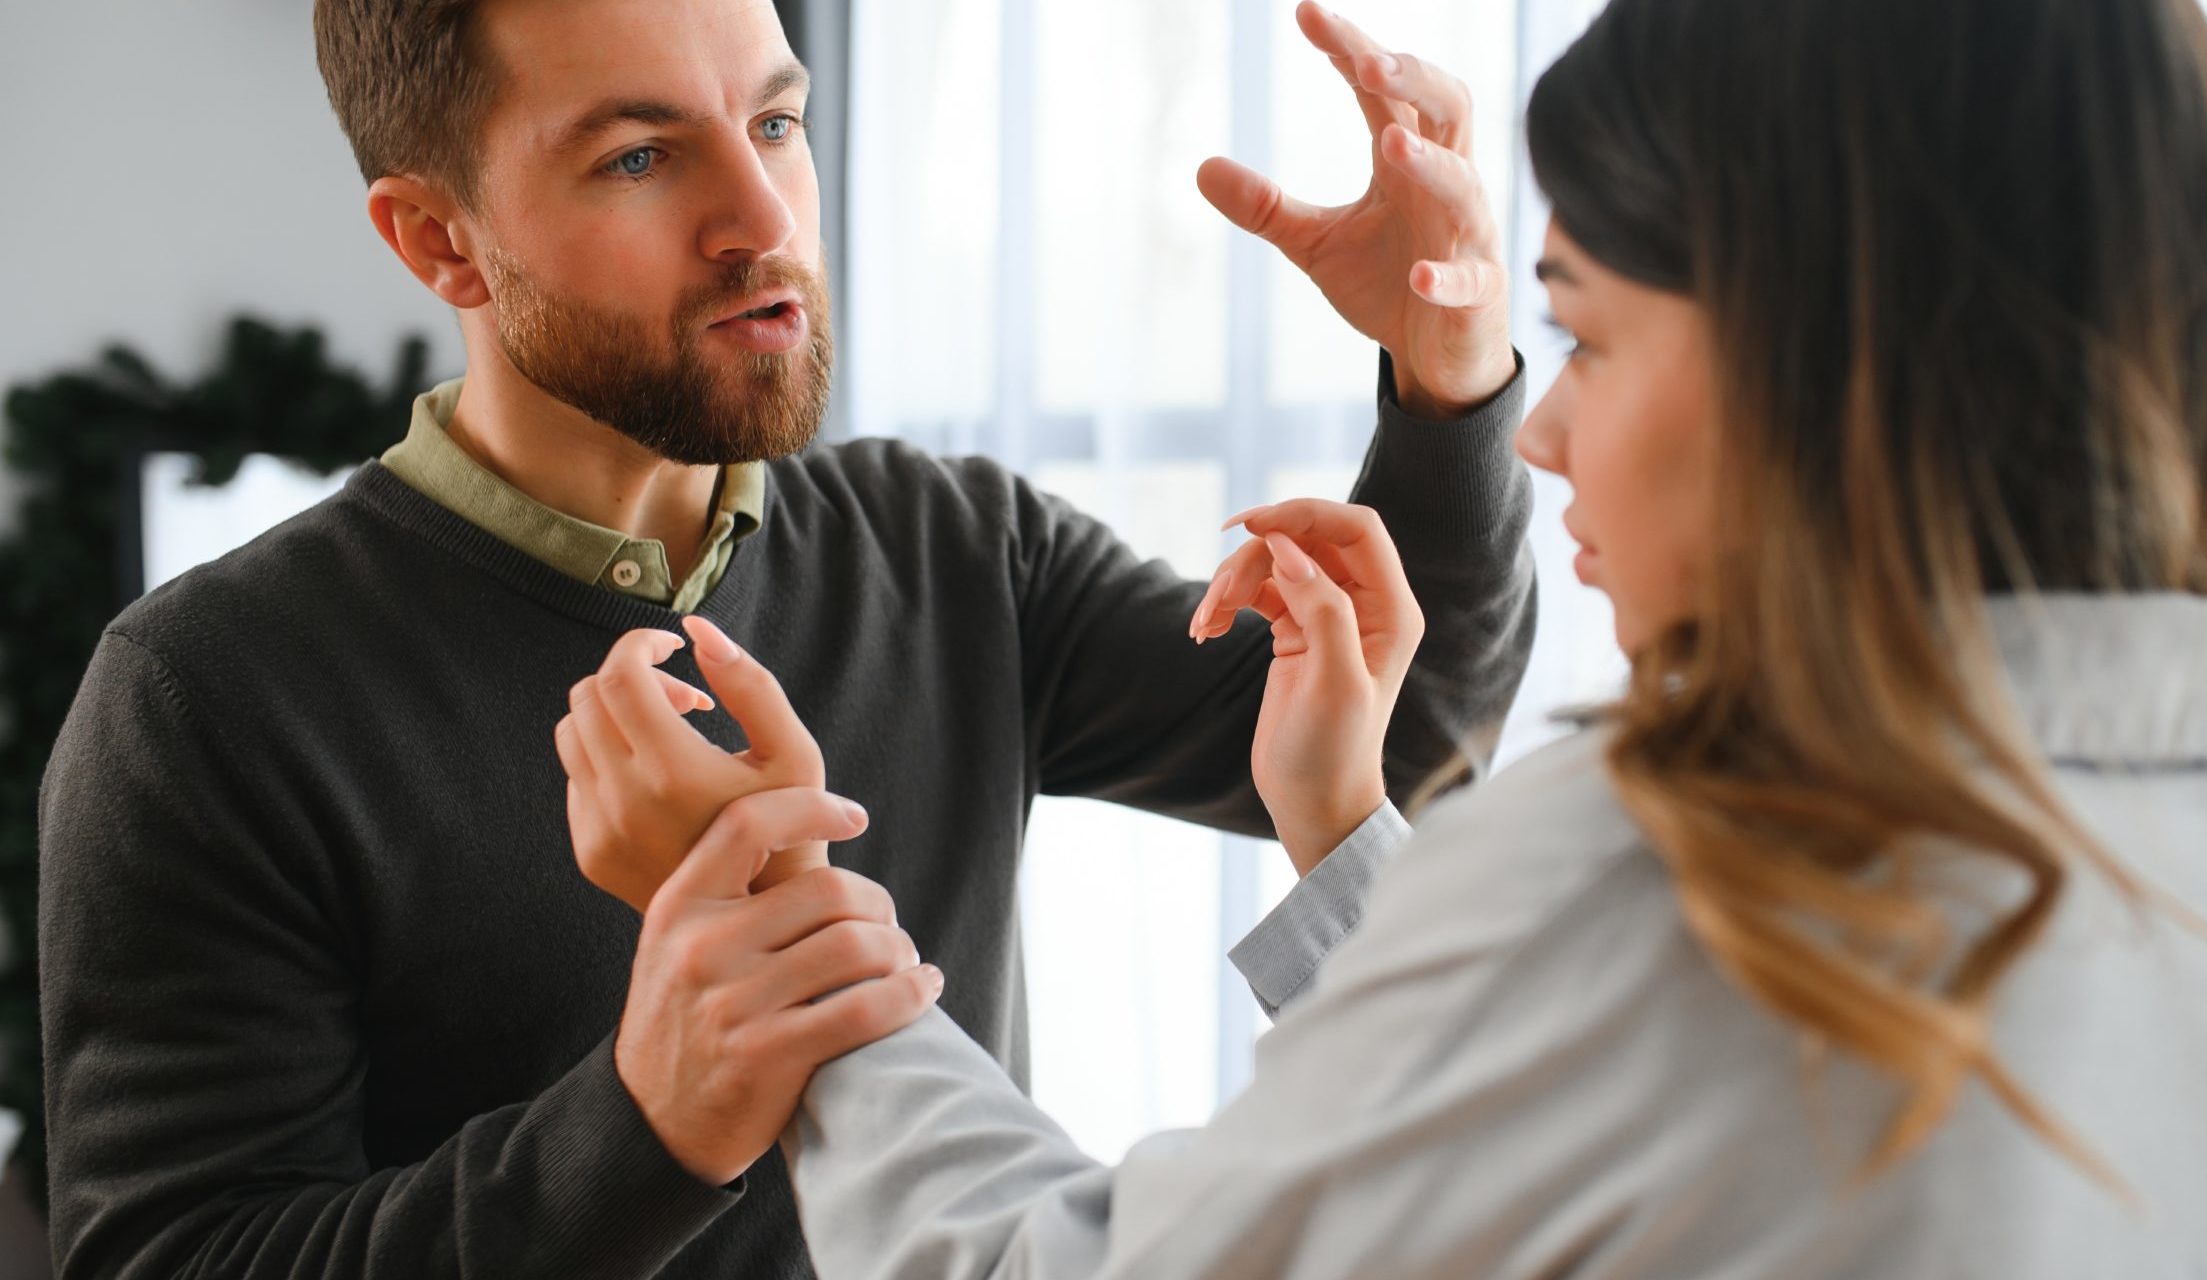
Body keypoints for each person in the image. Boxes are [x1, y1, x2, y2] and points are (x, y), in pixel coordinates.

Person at [562, 0, 2207, 1275]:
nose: (1546, 428)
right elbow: (1600, 1127)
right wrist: (1345, 835)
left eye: (1586, 336)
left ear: (1830, 364)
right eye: (642, 153)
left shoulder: (1675, 869)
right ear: (441, 244)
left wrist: (777, 934)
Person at [34, 0, 1534, 1275]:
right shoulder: (205, 695)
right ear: (441, 241)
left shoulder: (951, 546)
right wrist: (646, 1126)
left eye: (774, 123)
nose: (764, 222)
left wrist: (1448, 366)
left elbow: (1385, 738)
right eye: (639, 156)